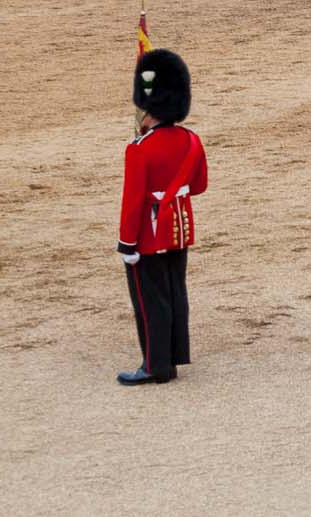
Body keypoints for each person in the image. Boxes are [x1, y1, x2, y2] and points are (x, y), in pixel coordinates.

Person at [118, 48, 208, 386]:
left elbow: (132, 203)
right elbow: (198, 185)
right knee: (175, 292)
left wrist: (126, 243)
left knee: (149, 299)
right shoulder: (191, 140)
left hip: (148, 234)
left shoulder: (139, 149)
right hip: (179, 229)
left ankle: (155, 365)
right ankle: (173, 356)